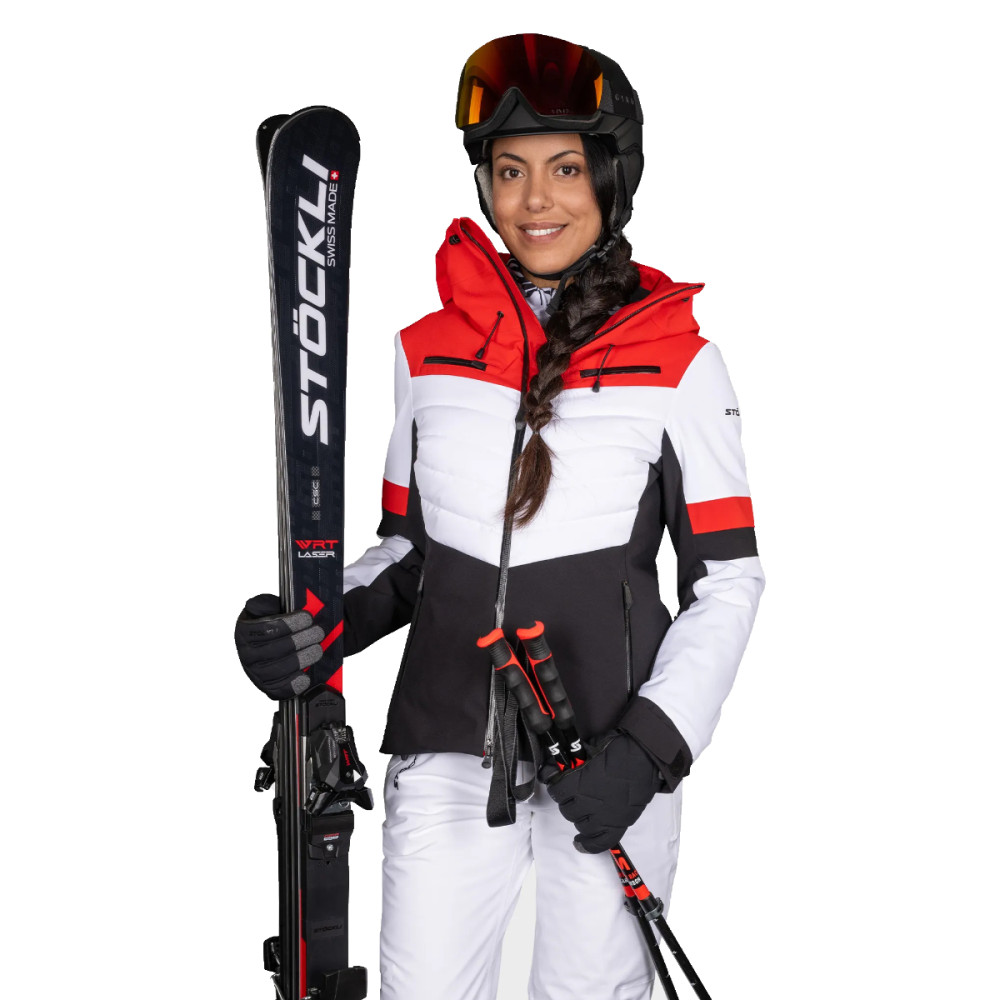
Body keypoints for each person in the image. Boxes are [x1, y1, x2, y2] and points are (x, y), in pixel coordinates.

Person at [236, 32, 764, 1000]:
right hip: (444, 745)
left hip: (604, 757)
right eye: (509, 170)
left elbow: (727, 582)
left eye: (565, 168)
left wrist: (648, 748)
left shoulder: (681, 363)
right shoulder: (429, 352)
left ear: (610, 177)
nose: (534, 200)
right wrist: (311, 623)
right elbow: (408, 553)